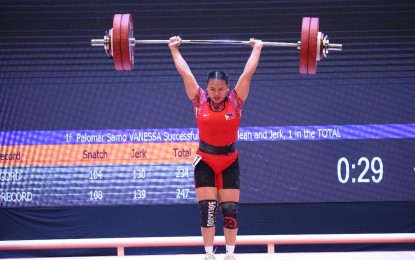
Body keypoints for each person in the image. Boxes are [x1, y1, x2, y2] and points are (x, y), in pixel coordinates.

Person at [169, 36, 263, 260]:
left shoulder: (236, 101)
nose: (216, 92)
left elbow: (247, 74)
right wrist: (174, 49)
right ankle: (209, 255)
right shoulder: (199, 100)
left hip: (229, 160)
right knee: (208, 210)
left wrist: (257, 48)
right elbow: (186, 73)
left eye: (221, 88)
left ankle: (230, 255)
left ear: (227, 88)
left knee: (229, 210)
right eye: (212, 88)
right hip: (205, 161)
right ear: (207, 88)